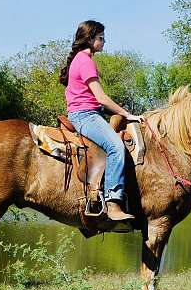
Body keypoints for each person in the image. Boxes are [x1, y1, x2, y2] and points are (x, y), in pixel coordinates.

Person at [59, 20, 142, 221]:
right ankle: (113, 202)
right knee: (115, 147)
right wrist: (128, 114)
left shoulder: (79, 60)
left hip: (87, 113)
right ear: (89, 39)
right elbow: (101, 98)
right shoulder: (86, 61)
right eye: (101, 38)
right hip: (86, 116)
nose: (104, 41)